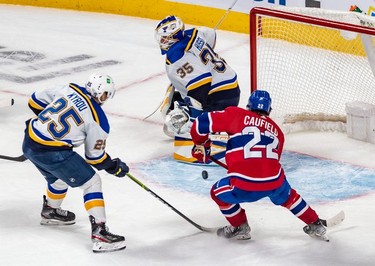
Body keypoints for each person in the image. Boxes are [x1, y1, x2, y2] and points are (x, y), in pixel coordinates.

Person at [190, 90, 328, 241]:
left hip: (243, 184)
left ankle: (240, 226)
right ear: (269, 110)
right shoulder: (278, 133)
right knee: (288, 196)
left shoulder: (236, 114)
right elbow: (268, 161)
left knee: (217, 193)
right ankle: (315, 222)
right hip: (274, 180)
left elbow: (199, 125)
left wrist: (201, 144)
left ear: (248, 106)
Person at [23, 73, 129, 253]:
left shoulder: (68, 88)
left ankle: (51, 211)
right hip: (52, 152)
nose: (104, 99)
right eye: (105, 95)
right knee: (92, 182)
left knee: (59, 177)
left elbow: (34, 102)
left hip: (29, 141)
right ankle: (100, 234)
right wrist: (114, 166)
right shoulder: (98, 119)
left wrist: (48, 127)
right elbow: (95, 158)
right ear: (100, 93)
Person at [154, 15, 240, 137]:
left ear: (173, 38)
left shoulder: (175, 56)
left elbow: (201, 84)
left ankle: (198, 125)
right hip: (233, 90)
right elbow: (211, 35)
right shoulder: (195, 32)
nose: (162, 42)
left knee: (193, 91)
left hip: (218, 99)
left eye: (165, 39)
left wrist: (194, 123)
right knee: (181, 88)